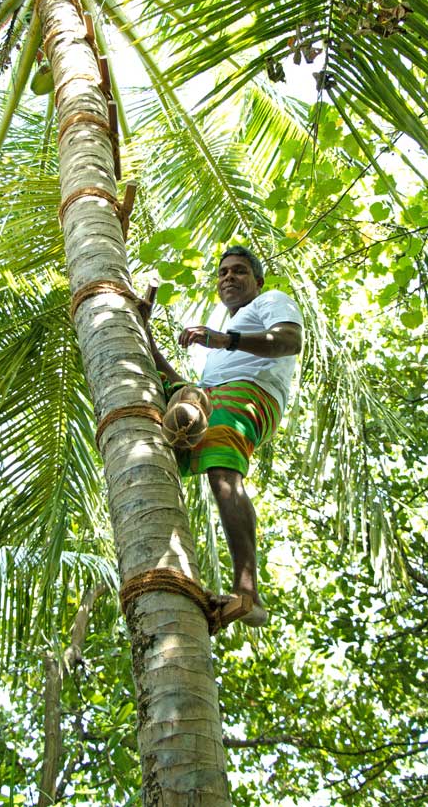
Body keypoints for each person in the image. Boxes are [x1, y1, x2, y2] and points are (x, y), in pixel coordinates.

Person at [145, 245, 303, 627]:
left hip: (251, 391)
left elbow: (289, 341)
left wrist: (224, 339)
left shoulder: (271, 301)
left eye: (238, 271)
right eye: (222, 273)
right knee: (157, 433)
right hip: (213, 395)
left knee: (222, 471)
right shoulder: (220, 340)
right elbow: (188, 383)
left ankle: (248, 592)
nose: (228, 277)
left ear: (258, 281)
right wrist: (143, 333)